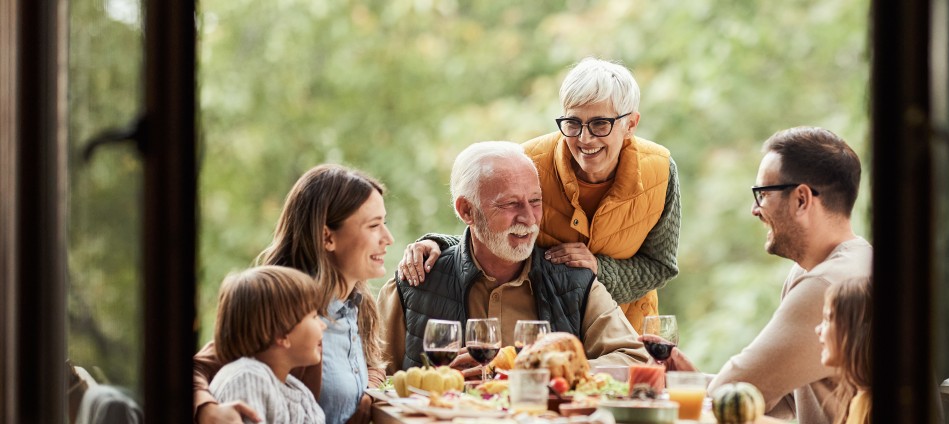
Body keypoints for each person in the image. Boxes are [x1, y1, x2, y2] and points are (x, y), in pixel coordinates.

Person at [398, 57, 680, 334]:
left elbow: (661, 266)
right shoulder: (527, 164)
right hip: (546, 332)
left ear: (630, 124)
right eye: (573, 123)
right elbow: (493, 236)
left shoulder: (660, 171)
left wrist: (598, 269)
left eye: (600, 124)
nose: (584, 138)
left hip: (628, 335)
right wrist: (438, 243)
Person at [377, 141, 649, 375]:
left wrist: (534, 367)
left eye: (535, 201)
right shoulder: (414, 283)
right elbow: (374, 377)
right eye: (510, 204)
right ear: (467, 211)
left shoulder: (576, 283)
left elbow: (636, 360)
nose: (529, 219)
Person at [668, 126, 872, 424]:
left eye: (762, 194)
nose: (754, 209)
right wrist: (694, 382)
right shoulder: (853, 260)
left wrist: (692, 388)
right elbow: (777, 398)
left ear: (802, 199)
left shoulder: (826, 284)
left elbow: (729, 393)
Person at [194, 164, 394, 424]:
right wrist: (208, 410)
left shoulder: (357, 305)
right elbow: (196, 367)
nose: (388, 237)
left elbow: (369, 366)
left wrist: (367, 395)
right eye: (374, 225)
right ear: (327, 237)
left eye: (385, 223)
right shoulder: (283, 308)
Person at [209, 266, 329, 424]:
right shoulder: (247, 379)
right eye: (314, 316)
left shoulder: (298, 391)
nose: (323, 325)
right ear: (281, 334)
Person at [816, 277, 871, 424]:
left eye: (827, 319)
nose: (818, 329)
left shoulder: (870, 405)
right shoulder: (861, 397)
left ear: (854, 331)